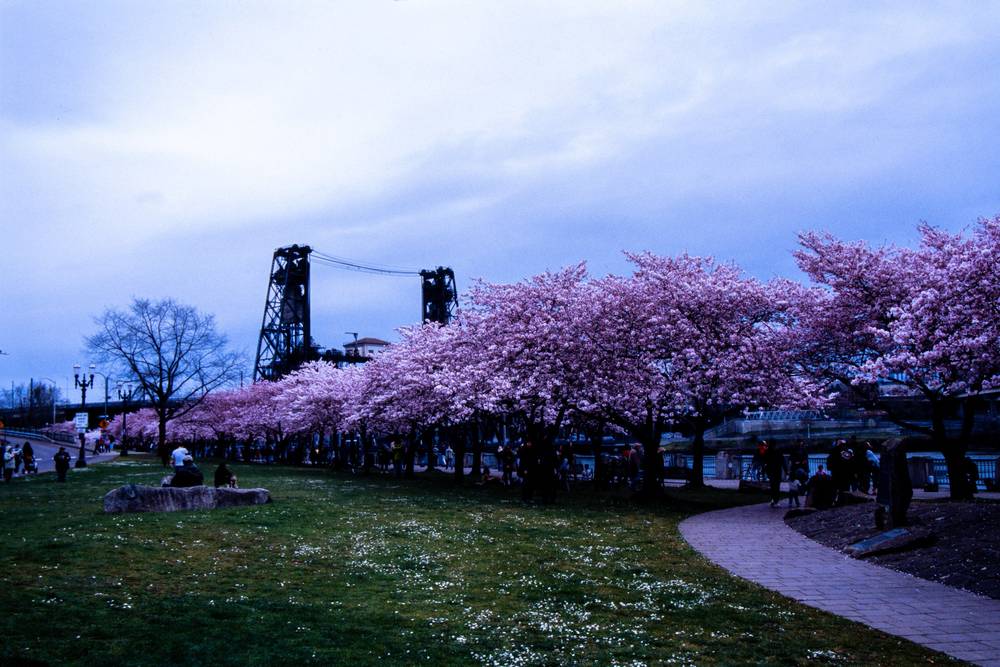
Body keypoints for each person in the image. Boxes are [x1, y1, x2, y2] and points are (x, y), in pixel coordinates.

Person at [763, 440, 787, 507]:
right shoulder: (779, 452)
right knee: (776, 487)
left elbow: (765, 462)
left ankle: (774, 500)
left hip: (771, 471)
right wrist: (786, 471)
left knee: (773, 487)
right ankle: (775, 500)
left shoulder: (768, 452)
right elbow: (783, 462)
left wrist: (765, 471)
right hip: (776, 471)